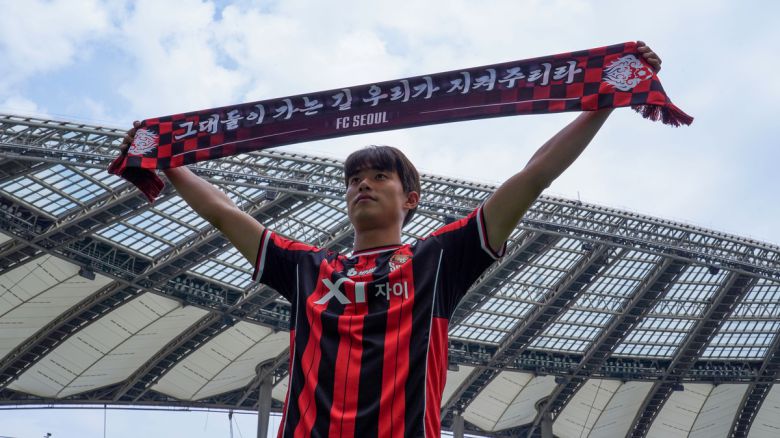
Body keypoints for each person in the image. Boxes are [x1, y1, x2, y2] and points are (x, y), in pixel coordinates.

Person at [121, 42, 662, 438]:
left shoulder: (440, 258)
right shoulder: (308, 268)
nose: (363, 185)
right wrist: (165, 162)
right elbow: (223, 214)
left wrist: (605, 101)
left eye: (380, 177)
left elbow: (532, 177)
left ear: (411, 198)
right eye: (355, 179)